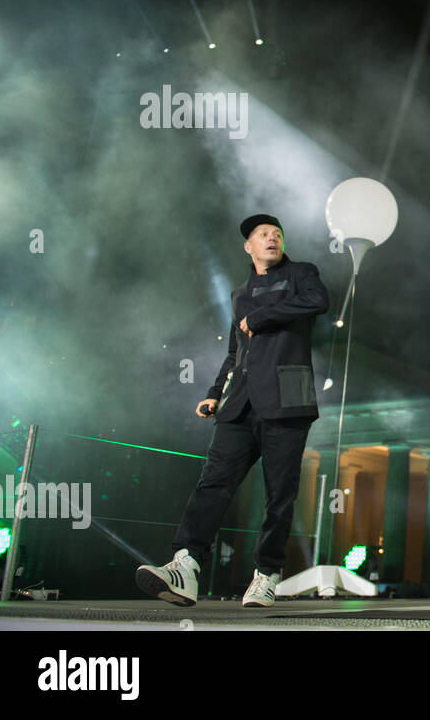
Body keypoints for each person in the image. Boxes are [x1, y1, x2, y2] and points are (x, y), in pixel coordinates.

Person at [136, 214, 329, 608]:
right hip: (239, 401)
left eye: (277, 234)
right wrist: (213, 392)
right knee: (213, 483)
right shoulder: (240, 292)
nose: (272, 238)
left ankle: (266, 574)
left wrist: (261, 316)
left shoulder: (302, 274)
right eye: (263, 235)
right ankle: (186, 564)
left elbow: (317, 301)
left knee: (279, 495)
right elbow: (234, 351)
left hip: (288, 399)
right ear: (249, 246)